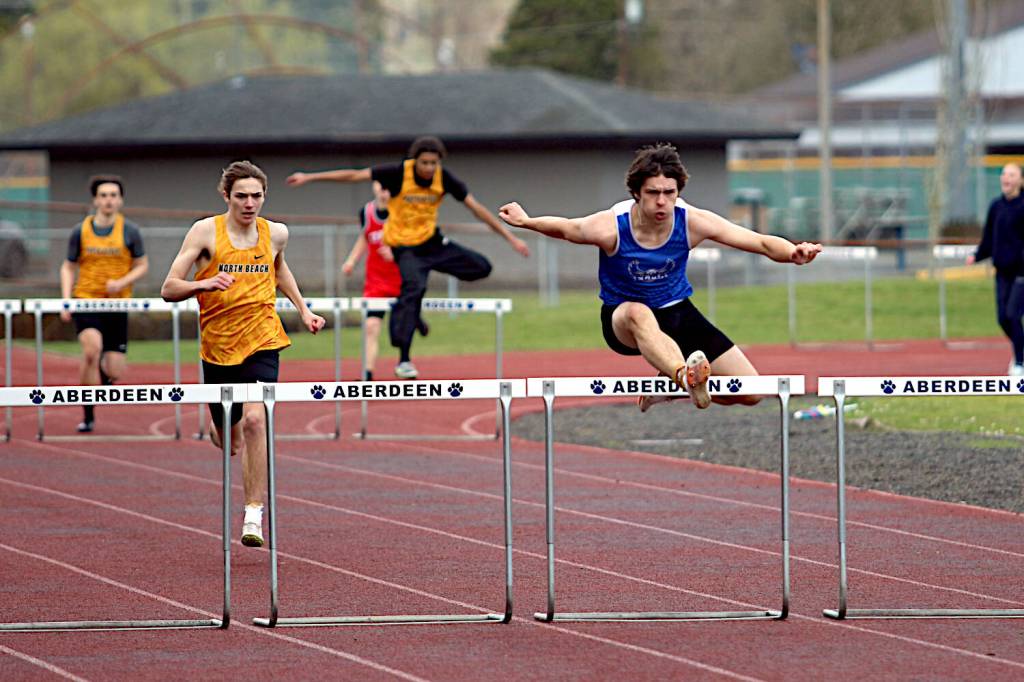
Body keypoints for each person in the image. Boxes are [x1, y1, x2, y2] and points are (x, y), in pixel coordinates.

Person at [499, 143, 821, 410]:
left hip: (676, 312)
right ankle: (684, 376)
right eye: (653, 192)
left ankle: (671, 385)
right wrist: (526, 222)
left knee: (751, 391)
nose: (662, 201)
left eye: (670, 192)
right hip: (624, 317)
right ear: (637, 193)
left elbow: (759, 241)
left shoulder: (692, 221)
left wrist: (792, 252)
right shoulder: (612, 226)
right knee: (639, 313)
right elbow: (569, 228)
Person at [161, 161, 325, 548]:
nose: (250, 203)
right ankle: (222, 432)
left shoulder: (277, 233)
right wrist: (205, 284)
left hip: (263, 337)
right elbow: (168, 288)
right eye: (241, 196)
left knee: (256, 419)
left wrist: (304, 310)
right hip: (218, 346)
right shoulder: (205, 232)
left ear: (264, 196)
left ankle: (253, 514)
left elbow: (279, 269)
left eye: (256, 196)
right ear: (226, 196)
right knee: (230, 442)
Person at [287, 135, 529, 379]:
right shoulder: (397, 173)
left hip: (432, 244)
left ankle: (423, 282)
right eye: (424, 163)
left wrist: (511, 238)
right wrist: (310, 177)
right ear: (415, 161)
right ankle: (403, 358)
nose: (429, 169)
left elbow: (476, 209)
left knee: (482, 267)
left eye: (434, 163)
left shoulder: (444, 179)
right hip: (405, 248)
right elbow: (354, 175)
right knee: (414, 288)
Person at [59, 175, 148, 433]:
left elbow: (142, 266)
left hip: (117, 304)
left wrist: (122, 282)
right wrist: (66, 300)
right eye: (104, 195)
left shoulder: (130, 231)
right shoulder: (80, 231)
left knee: (115, 370)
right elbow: (68, 266)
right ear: (95, 200)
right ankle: (88, 414)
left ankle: (104, 369)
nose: (108, 200)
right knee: (90, 350)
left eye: (113, 195)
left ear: (120, 200)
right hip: (86, 300)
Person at [341, 181, 429, 380]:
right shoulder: (366, 212)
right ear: (374, 186)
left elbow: (416, 242)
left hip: (401, 278)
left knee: (400, 327)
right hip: (376, 281)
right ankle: (367, 373)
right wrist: (351, 261)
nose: (384, 191)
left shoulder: (404, 212)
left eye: (389, 187)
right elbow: (365, 237)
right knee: (371, 326)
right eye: (381, 186)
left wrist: (396, 252)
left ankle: (404, 361)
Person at [968, 162, 1024, 375]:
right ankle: (1022, 350)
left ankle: (1019, 362)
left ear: (1020, 180)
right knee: (1002, 317)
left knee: (1013, 314)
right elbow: (989, 239)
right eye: (1003, 174)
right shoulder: (996, 206)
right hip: (1002, 271)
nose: (1006, 178)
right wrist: (977, 255)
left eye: (1011, 174)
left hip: (1022, 272)